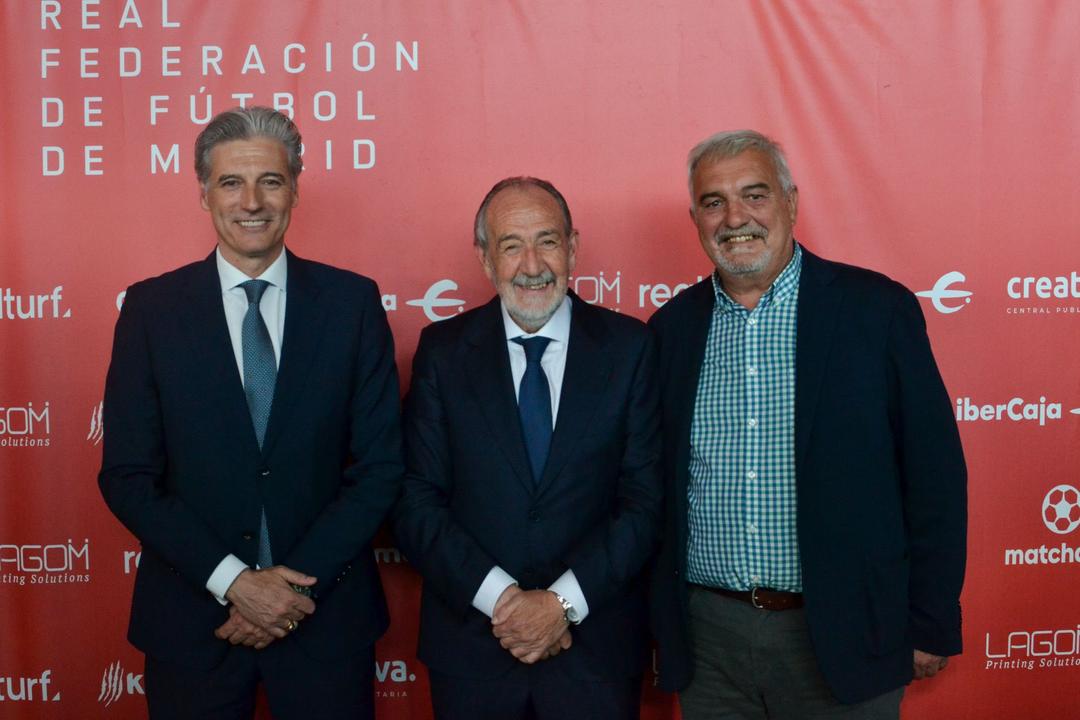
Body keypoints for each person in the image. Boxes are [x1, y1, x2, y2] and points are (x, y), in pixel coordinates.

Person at [649, 130, 967, 719]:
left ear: (791, 201)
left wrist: (931, 621)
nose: (735, 218)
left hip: (847, 635)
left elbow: (935, 476)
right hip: (710, 642)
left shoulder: (877, 310)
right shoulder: (671, 330)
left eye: (755, 194)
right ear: (695, 219)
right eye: (714, 202)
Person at [98, 106, 402, 720]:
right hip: (193, 622)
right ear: (203, 193)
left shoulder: (352, 303)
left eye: (270, 181)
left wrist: (287, 589)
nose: (252, 202)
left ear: (295, 188)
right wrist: (235, 582)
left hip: (324, 617)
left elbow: (379, 469)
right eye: (231, 182)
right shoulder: (151, 311)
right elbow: (128, 476)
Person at [393, 177, 663, 720]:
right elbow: (415, 500)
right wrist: (505, 602)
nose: (532, 265)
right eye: (511, 245)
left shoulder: (631, 348)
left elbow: (645, 500)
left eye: (548, 241)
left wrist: (562, 605)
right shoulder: (443, 353)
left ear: (573, 248)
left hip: (595, 652)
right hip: (475, 648)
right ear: (485, 258)